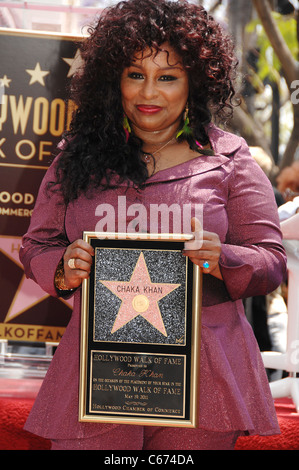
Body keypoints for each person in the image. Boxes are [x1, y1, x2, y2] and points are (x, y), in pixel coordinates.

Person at [19, 0, 287, 451]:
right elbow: (36, 246)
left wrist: (222, 258)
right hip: (97, 369)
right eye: (135, 75)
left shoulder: (232, 160)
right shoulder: (75, 157)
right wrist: (63, 267)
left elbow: (272, 262)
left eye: (168, 77)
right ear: (113, 80)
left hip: (206, 374)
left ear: (194, 83)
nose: (149, 93)